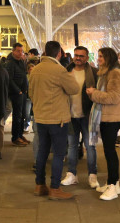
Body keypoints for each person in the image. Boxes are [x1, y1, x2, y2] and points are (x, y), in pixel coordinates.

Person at [28, 41, 79, 200]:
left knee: (42, 151)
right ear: (58, 54)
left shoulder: (35, 70)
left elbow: (31, 93)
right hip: (57, 119)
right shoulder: (60, 70)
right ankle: (55, 188)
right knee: (58, 153)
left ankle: (39, 185)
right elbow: (74, 89)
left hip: (41, 117)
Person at [86, 47, 120, 200]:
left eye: (101, 57)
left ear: (108, 58)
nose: (98, 59)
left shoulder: (115, 73)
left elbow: (114, 97)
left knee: (110, 152)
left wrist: (94, 93)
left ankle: (112, 185)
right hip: (108, 116)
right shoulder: (107, 73)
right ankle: (114, 183)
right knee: (108, 150)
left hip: (112, 117)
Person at [60, 46, 99, 189]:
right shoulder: (66, 72)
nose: (78, 58)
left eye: (81, 56)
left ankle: (92, 175)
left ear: (87, 58)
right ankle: (71, 174)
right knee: (71, 146)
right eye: (76, 55)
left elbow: (100, 92)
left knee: (91, 146)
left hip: (89, 115)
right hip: (70, 115)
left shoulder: (94, 73)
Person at [5, 42, 29, 147]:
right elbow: (9, 79)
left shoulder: (21, 62)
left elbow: (24, 75)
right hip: (16, 93)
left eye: (21, 51)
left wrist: (25, 89)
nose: (20, 53)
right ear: (13, 51)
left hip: (22, 92)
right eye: (18, 51)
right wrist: (17, 90)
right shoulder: (10, 63)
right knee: (17, 116)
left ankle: (20, 134)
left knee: (23, 115)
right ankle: (15, 137)